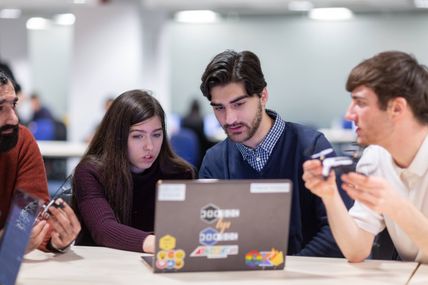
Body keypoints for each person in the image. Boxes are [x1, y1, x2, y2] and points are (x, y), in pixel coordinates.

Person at [198, 50, 353, 256]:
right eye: (219, 108)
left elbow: (339, 230)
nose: (229, 119)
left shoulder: (312, 147)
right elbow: (209, 236)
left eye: (239, 104)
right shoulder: (214, 161)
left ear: (263, 96)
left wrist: (285, 274)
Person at [302, 51, 428, 263]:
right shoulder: (375, 157)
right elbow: (356, 249)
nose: (349, 115)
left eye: (360, 103)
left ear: (396, 108)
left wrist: (395, 205)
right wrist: (329, 195)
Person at [72, 89, 195, 253]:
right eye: (138, 136)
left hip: (158, 270)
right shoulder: (90, 172)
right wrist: (160, 243)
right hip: (101, 270)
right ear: (117, 137)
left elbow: (188, 230)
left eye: (157, 135)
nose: (149, 146)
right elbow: (104, 229)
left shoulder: (179, 173)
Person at [0, 71, 81, 253]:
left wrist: (54, 238)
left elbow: (32, 219)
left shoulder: (21, 141)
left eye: (14, 105)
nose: (14, 118)